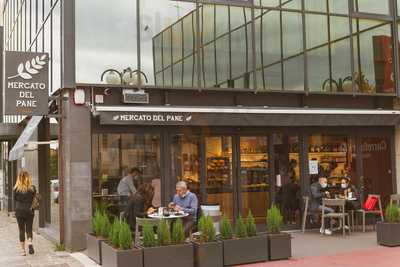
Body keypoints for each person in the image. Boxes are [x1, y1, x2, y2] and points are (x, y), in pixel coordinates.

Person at [14, 171, 36, 256]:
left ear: (19, 178)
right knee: (29, 228)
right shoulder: (32, 188)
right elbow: (34, 198)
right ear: (28, 178)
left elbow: (15, 200)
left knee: (21, 229)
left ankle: (23, 251)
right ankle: (29, 242)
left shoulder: (16, 189)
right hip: (29, 211)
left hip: (19, 211)